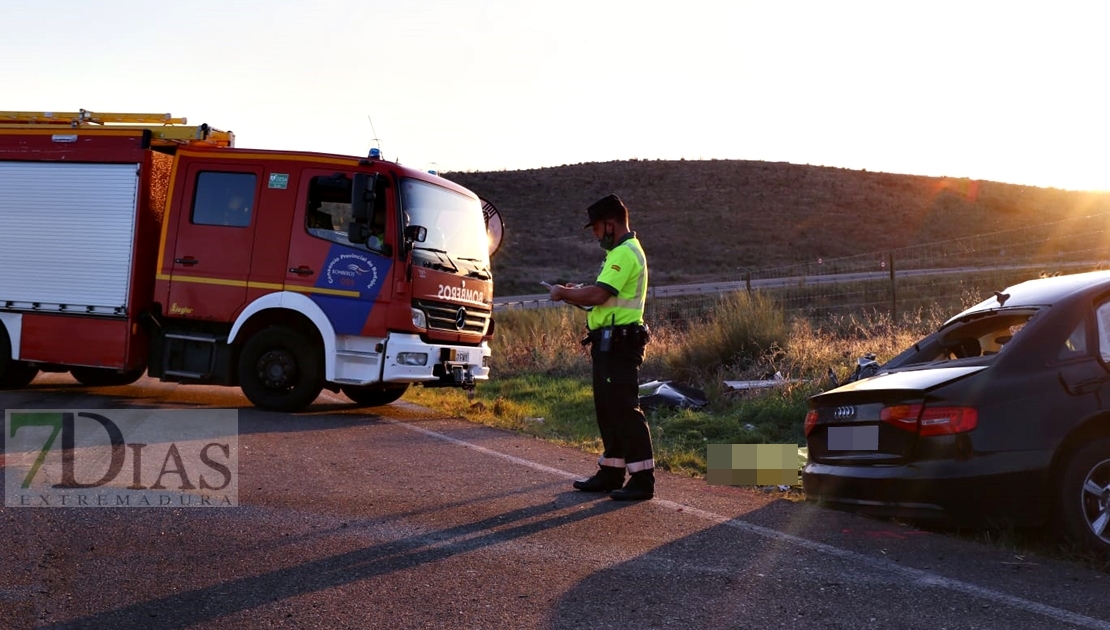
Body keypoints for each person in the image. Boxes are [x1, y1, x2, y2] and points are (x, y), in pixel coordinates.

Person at [549, 193, 653, 500]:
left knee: (623, 408)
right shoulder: (620, 253)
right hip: (610, 343)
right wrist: (576, 293)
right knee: (608, 409)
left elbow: (598, 296)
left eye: (596, 228)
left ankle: (642, 480)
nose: (595, 234)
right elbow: (602, 299)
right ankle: (611, 472)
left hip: (620, 344)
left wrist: (562, 294)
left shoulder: (624, 253)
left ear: (610, 224)